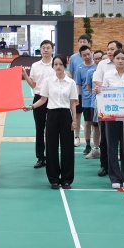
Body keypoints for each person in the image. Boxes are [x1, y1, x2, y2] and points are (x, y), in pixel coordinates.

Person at [24, 54, 78, 189]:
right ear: (53, 66)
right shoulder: (48, 81)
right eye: (56, 64)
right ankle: (54, 179)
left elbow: (72, 103)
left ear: (65, 66)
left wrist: (74, 121)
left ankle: (66, 179)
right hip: (52, 115)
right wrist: (31, 106)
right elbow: (43, 99)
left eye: (60, 64)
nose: (58, 67)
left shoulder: (71, 82)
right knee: (51, 148)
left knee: (67, 148)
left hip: (66, 116)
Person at [93, 49, 124, 190]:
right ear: (113, 60)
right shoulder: (108, 75)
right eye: (118, 58)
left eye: (123, 58)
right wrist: (99, 92)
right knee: (112, 147)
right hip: (111, 116)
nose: (120, 60)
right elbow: (103, 93)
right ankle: (115, 177)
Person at [23, 39, 56, 169]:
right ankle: (40, 157)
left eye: (48, 48)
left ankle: (51, 157)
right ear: (40, 50)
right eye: (43, 48)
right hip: (39, 99)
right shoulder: (35, 65)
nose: (45, 50)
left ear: (52, 50)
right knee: (39, 129)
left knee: (52, 129)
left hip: (53, 99)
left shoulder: (56, 64)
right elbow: (33, 85)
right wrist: (25, 76)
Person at [73, 46, 98, 158]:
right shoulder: (79, 68)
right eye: (84, 55)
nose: (87, 57)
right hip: (86, 100)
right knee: (87, 123)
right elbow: (78, 84)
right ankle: (88, 145)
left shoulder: (97, 66)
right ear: (81, 56)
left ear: (91, 53)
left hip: (97, 99)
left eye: (88, 54)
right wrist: (76, 97)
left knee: (96, 125)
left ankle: (97, 146)